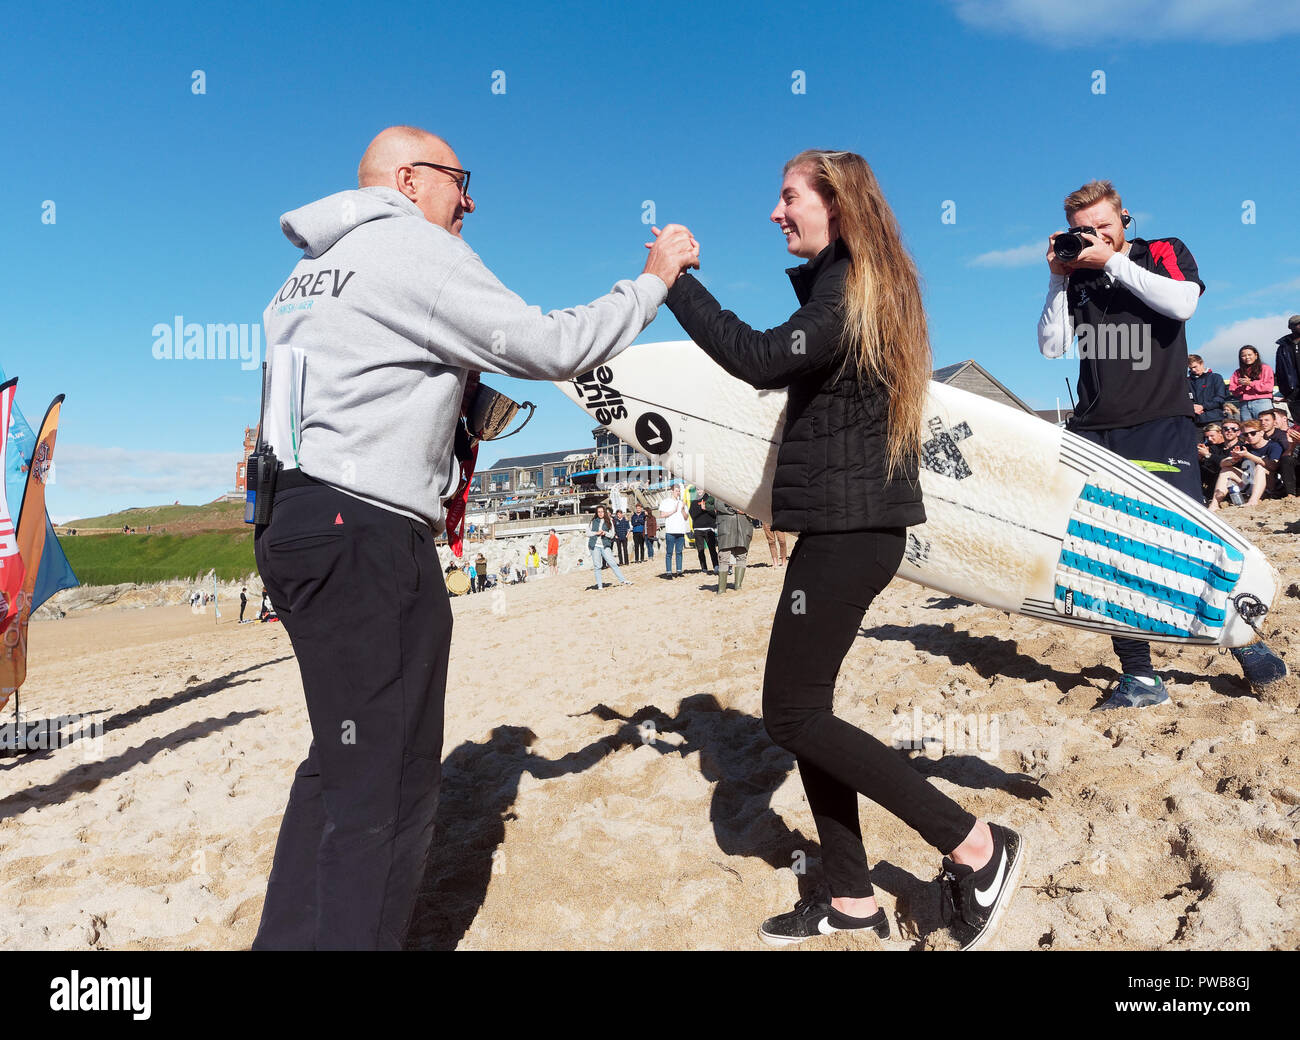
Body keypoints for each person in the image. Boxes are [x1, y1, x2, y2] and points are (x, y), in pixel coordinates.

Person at [251, 125, 698, 950]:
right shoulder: (410, 246)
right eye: (463, 180)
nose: (472, 200)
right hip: (366, 532)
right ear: (412, 179)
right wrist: (651, 282)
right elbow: (550, 345)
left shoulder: (302, 278)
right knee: (389, 779)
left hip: (292, 523)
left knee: (339, 758)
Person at [665, 149, 1022, 950]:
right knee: (808, 716)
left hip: (853, 529)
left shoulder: (852, 280)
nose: (774, 211)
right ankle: (852, 899)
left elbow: (760, 359)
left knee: (790, 712)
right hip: (843, 525)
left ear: (837, 202)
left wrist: (673, 282)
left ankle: (977, 846)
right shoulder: (857, 281)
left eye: (788, 196)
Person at [1036, 178, 1285, 705]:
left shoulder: (1160, 251)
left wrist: (1111, 260)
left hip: (1159, 419)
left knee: (1189, 537)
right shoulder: (1076, 274)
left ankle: (1245, 644)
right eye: (1082, 231)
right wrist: (1058, 280)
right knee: (1105, 550)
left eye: (1103, 227)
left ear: (1125, 219)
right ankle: (1140, 675)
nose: (1092, 238)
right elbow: (1052, 346)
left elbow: (1183, 304)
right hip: (1095, 426)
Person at [1209, 419, 1282, 510]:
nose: (1249, 436)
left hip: (1271, 484)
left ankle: (1253, 501)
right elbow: (1222, 464)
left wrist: (1248, 455)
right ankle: (1214, 505)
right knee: (1226, 470)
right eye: (1246, 434)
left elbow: (1273, 466)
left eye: (1253, 433)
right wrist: (1234, 459)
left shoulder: (1273, 446)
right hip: (1250, 483)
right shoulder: (1245, 447)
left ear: (1261, 433)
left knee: (1260, 467)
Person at [587, 504, 632, 590]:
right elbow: (588, 533)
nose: (600, 513)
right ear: (596, 513)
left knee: (612, 563)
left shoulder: (609, 521)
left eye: (602, 512)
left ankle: (623, 580)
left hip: (605, 545)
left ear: (605, 512)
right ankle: (600, 586)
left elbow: (612, 535)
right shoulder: (593, 521)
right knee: (597, 566)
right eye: (599, 512)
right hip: (595, 545)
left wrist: (605, 533)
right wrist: (596, 533)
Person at [713, 500, 753, 594]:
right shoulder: (720, 489)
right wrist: (735, 509)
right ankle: (722, 589)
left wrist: (747, 511)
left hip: (743, 527)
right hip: (726, 527)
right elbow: (718, 505)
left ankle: (738, 586)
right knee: (723, 557)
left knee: (742, 555)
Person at [1227, 345, 1275, 422]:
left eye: (1249, 355)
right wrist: (1242, 386)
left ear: (1256, 355)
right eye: (1243, 356)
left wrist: (1251, 383)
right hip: (1244, 404)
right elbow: (1233, 390)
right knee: (1247, 429)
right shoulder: (1237, 372)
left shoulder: (1265, 368)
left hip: (1262, 402)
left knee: (1265, 427)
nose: (1247, 357)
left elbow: (1268, 387)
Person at [657, 483, 689, 578]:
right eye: (676, 491)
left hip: (680, 530)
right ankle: (669, 572)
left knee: (679, 552)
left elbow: (686, 517)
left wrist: (682, 509)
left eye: (679, 491)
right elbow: (662, 514)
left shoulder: (681, 502)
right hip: (670, 531)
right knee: (669, 552)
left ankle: (679, 571)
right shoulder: (666, 501)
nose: (678, 492)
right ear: (672, 491)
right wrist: (673, 511)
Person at [1187, 354, 1226, 428]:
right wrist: (1192, 407)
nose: (1193, 370)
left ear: (1201, 363)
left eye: (1195, 367)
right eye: (1190, 368)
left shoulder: (1216, 377)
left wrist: (1203, 406)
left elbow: (1220, 398)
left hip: (1214, 419)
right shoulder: (1187, 381)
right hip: (1195, 421)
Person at [688, 489, 719, 574]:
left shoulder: (710, 499)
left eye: (701, 489)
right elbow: (692, 514)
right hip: (698, 529)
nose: (699, 491)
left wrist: (706, 508)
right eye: (697, 489)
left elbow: (715, 513)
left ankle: (716, 566)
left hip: (709, 528)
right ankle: (704, 568)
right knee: (700, 550)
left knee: (712, 548)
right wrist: (701, 509)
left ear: (705, 490)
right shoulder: (694, 502)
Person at [1274, 315, 1300, 414]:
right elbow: (1280, 371)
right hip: (1293, 394)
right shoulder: (1283, 347)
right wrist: (1286, 392)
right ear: (1291, 327)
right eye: (1298, 324)